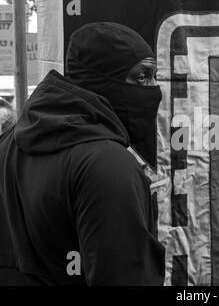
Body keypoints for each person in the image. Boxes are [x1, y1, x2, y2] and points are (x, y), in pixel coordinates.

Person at [0, 22, 165, 285]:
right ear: (102, 79)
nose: (155, 89)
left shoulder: (8, 143)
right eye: (142, 76)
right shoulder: (107, 162)